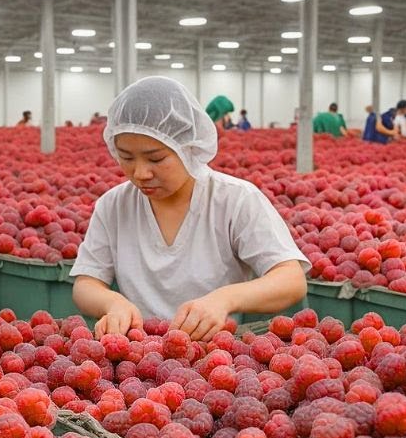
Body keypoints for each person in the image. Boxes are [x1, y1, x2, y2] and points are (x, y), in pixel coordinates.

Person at [70, 77, 308, 341]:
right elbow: (86, 283)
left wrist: (225, 299)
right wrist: (112, 303)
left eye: (156, 158)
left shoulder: (234, 199)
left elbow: (291, 279)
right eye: (126, 157)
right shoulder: (114, 205)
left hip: (215, 352)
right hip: (137, 354)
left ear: (188, 147)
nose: (140, 173)